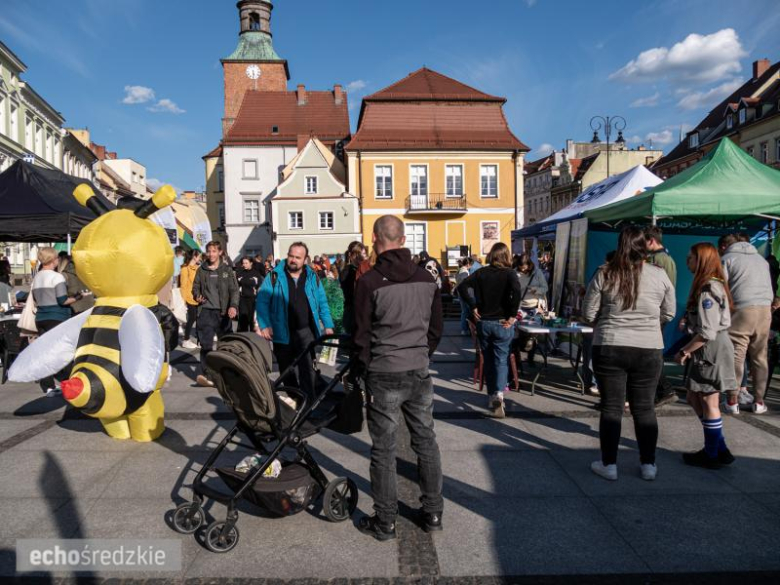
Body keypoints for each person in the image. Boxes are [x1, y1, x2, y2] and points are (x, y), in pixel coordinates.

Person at [353, 215, 443, 541]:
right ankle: (433, 513)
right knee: (426, 443)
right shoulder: (427, 279)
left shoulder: (369, 282)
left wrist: (363, 367)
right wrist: (421, 353)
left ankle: (386, 521)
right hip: (418, 370)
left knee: (384, 450)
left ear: (376, 239)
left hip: (384, 371)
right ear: (403, 240)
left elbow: (360, 336)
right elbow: (436, 330)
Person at [583, 226, 675, 481]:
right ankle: (648, 464)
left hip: (610, 343)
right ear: (646, 247)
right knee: (644, 408)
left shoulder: (605, 273)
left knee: (612, 407)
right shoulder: (659, 274)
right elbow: (668, 312)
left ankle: (609, 464)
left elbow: (588, 313)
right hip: (648, 347)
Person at [675, 243, 737, 469]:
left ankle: (711, 453)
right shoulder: (710, 285)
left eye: (690, 258)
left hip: (711, 350)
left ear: (700, 260)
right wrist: (688, 321)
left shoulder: (708, 288)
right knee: (693, 397)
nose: (687, 262)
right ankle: (719, 448)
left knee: (709, 401)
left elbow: (708, 332)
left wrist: (684, 350)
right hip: (709, 349)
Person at [256, 242, 334, 400]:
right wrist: (264, 324)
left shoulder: (313, 277)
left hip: (306, 332)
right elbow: (262, 301)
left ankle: (309, 405)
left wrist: (328, 325)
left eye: (297, 257)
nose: (293, 260)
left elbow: (322, 303)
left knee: (308, 370)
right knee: (287, 371)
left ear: (305, 259)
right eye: (291, 256)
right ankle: (296, 399)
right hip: (282, 332)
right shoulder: (274, 276)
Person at [459, 242, 522, 418]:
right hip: (503, 322)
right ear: (506, 256)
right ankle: (499, 395)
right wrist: (512, 314)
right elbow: (517, 292)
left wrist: (472, 306)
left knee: (487, 359)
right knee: (501, 360)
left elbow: (462, 287)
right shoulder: (510, 274)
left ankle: (491, 396)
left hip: (484, 322)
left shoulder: (480, 272)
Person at [719, 233, 773, 414]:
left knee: (737, 356)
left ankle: (732, 401)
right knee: (760, 357)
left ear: (725, 246)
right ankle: (759, 402)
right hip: (765, 309)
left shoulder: (727, 259)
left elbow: (721, 289)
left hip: (742, 309)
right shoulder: (761, 260)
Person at [31, 247, 81, 396]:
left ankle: (48, 386)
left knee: (46, 353)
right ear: (53, 259)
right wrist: (78, 297)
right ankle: (73, 383)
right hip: (57, 318)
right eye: (57, 257)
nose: (58, 260)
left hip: (41, 318)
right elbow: (63, 300)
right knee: (64, 351)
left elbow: (34, 298)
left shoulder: (37, 277)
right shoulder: (56, 277)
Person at [192, 241, 239, 387]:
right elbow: (196, 287)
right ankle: (208, 376)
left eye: (214, 251)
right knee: (206, 345)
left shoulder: (226, 270)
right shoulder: (202, 270)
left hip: (223, 313)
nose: (211, 254)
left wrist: (233, 306)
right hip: (205, 312)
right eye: (209, 251)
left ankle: (226, 375)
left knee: (225, 345)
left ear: (219, 252)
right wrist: (197, 295)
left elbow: (234, 290)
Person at [645, 226, 679, 407]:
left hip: (655, 313)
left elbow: (663, 289)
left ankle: (665, 389)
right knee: (652, 353)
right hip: (658, 312)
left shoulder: (658, 259)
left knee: (651, 354)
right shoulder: (665, 257)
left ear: (651, 240)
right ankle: (661, 389)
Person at [179, 250, 201, 349]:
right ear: (194, 257)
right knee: (191, 319)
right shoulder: (185, 269)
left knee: (199, 319)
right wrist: (183, 301)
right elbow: (183, 286)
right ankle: (186, 340)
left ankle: (200, 340)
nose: (200, 258)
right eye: (198, 256)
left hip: (198, 297)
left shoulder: (198, 268)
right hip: (189, 298)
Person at [236, 256, 263, 333]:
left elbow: (260, 287)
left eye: (246, 263)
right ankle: (242, 338)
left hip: (253, 300)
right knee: (243, 320)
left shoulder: (256, 274)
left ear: (251, 263)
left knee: (252, 321)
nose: (244, 265)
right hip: (242, 299)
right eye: (243, 263)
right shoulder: (239, 274)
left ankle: (253, 339)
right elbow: (236, 287)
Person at [454, 259, 470, 335]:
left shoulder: (459, 270)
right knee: (465, 311)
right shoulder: (464, 272)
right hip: (463, 294)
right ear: (468, 264)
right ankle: (464, 329)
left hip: (460, 293)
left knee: (464, 311)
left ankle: (464, 329)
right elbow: (464, 284)